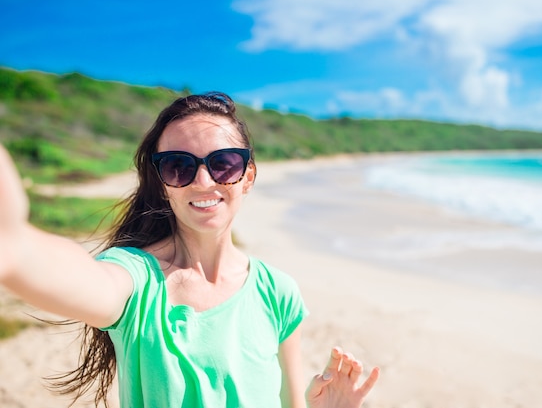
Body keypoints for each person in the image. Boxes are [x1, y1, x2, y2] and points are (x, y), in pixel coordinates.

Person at [0, 92, 379, 408]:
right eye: (179, 166)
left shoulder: (278, 292)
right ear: (163, 182)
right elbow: (70, 274)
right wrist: (14, 246)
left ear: (247, 177)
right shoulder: (136, 281)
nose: (203, 181)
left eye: (223, 164)